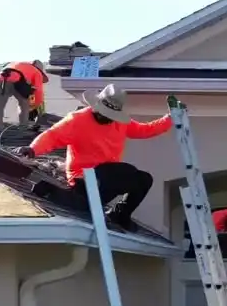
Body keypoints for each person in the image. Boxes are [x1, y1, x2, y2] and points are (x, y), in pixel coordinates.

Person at [18, 84, 174, 231]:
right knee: (124, 170)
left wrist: (171, 118)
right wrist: (33, 149)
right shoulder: (77, 120)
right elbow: (53, 136)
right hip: (84, 178)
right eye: (103, 113)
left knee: (144, 179)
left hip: (107, 181)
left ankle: (120, 214)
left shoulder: (120, 123)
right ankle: (59, 193)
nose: (106, 118)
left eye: (110, 116)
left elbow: (145, 130)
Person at [0, 59, 48, 130]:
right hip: (17, 80)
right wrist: (34, 106)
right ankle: (23, 126)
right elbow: (38, 91)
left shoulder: (17, 64)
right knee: (24, 104)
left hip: (0, 78)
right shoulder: (37, 72)